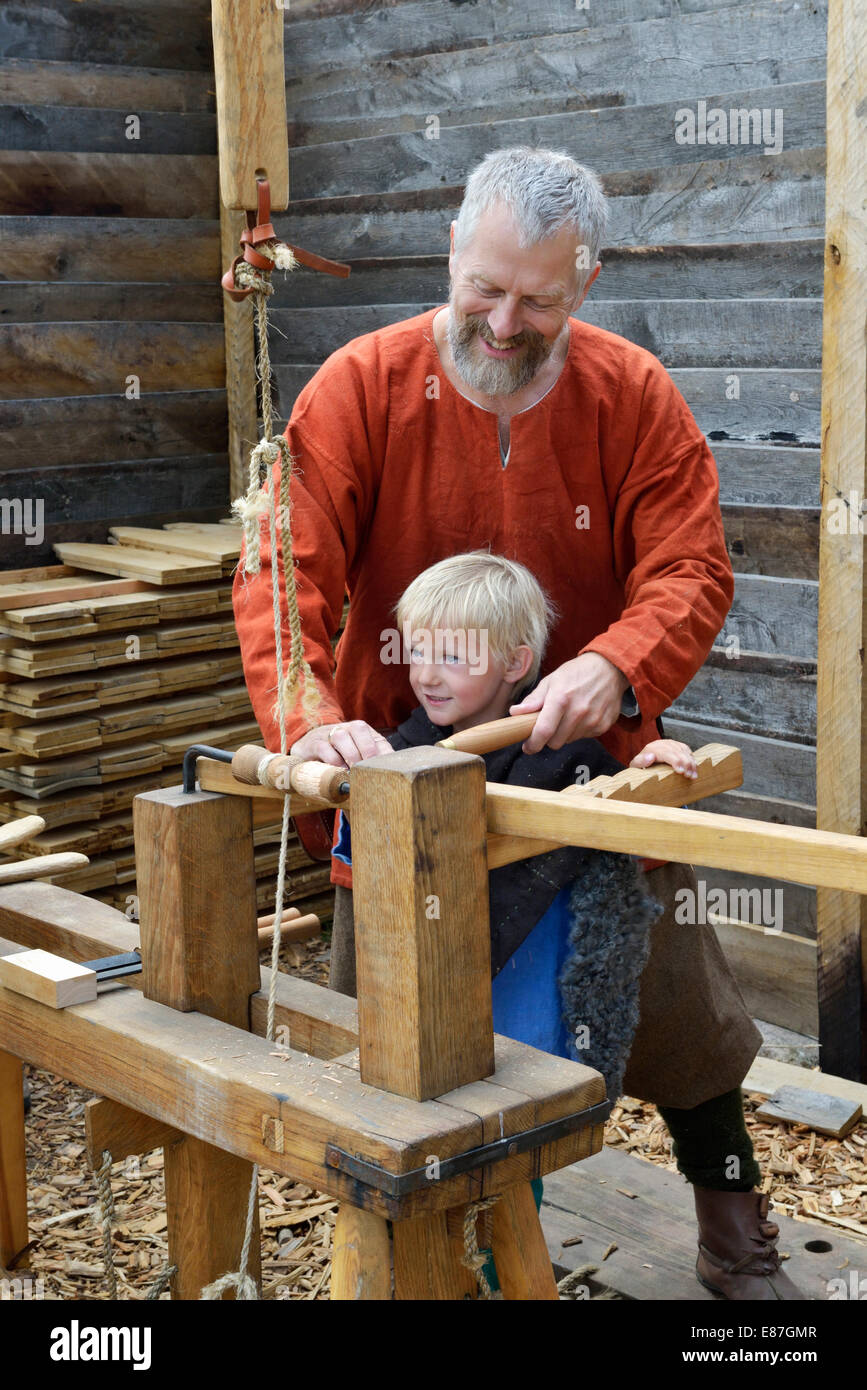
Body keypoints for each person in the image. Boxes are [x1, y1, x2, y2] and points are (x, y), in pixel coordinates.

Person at [234, 145, 804, 1299]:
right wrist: (310, 721)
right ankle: (415, 1258)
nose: (503, 323)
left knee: (691, 1026)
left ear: (583, 281)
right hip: (399, 780)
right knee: (399, 1047)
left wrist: (618, 665)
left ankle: (734, 1236)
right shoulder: (358, 384)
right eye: (484, 289)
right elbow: (280, 565)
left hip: (593, 779)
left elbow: (691, 568)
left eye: (538, 300)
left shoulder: (633, 394)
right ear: (453, 252)